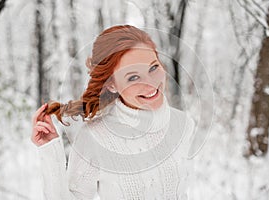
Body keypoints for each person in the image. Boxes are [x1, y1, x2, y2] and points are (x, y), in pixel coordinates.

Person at [31, 25, 195, 200]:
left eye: (153, 68)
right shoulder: (94, 137)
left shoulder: (183, 124)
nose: (151, 83)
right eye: (133, 77)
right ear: (111, 84)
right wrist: (50, 152)